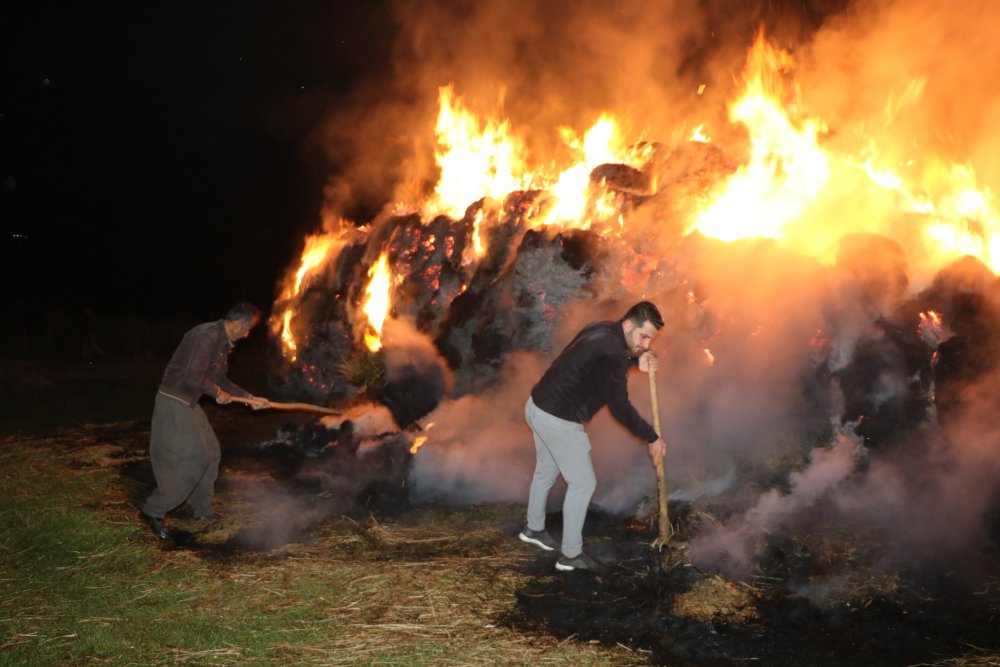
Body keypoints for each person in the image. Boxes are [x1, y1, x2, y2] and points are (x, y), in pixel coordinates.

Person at [519, 301, 668, 572]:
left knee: (546, 471)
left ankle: (533, 528)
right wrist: (652, 437)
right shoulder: (613, 355)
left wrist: (636, 361)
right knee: (584, 483)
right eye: (643, 336)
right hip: (558, 420)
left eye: (650, 339)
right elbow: (620, 408)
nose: (646, 344)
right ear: (628, 325)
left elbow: (602, 362)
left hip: (537, 405)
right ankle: (571, 556)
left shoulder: (603, 329)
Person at [139, 301, 269, 539]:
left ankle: (202, 510)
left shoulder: (221, 344)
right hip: (174, 399)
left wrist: (249, 398)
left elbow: (220, 380)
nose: (248, 334)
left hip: (188, 401)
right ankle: (153, 511)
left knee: (212, 451)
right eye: (248, 328)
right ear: (239, 323)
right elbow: (191, 375)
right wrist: (217, 393)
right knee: (195, 458)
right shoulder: (207, 335)